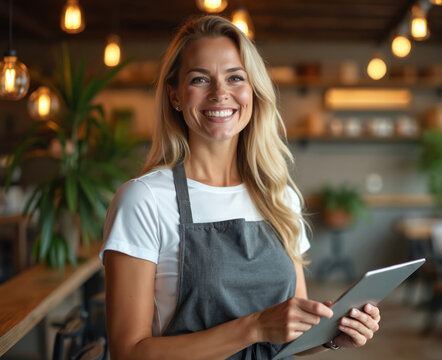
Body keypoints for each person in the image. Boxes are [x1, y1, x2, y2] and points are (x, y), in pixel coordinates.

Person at [101, 15, 381, 360]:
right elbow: (128, 352)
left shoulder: (279, 197)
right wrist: (255, 327)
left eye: (235, 77)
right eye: (200, 79)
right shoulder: (143, 199)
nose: (221, 93)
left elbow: (288, 341)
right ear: (175, 95)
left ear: (253, 91)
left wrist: (333, 334)